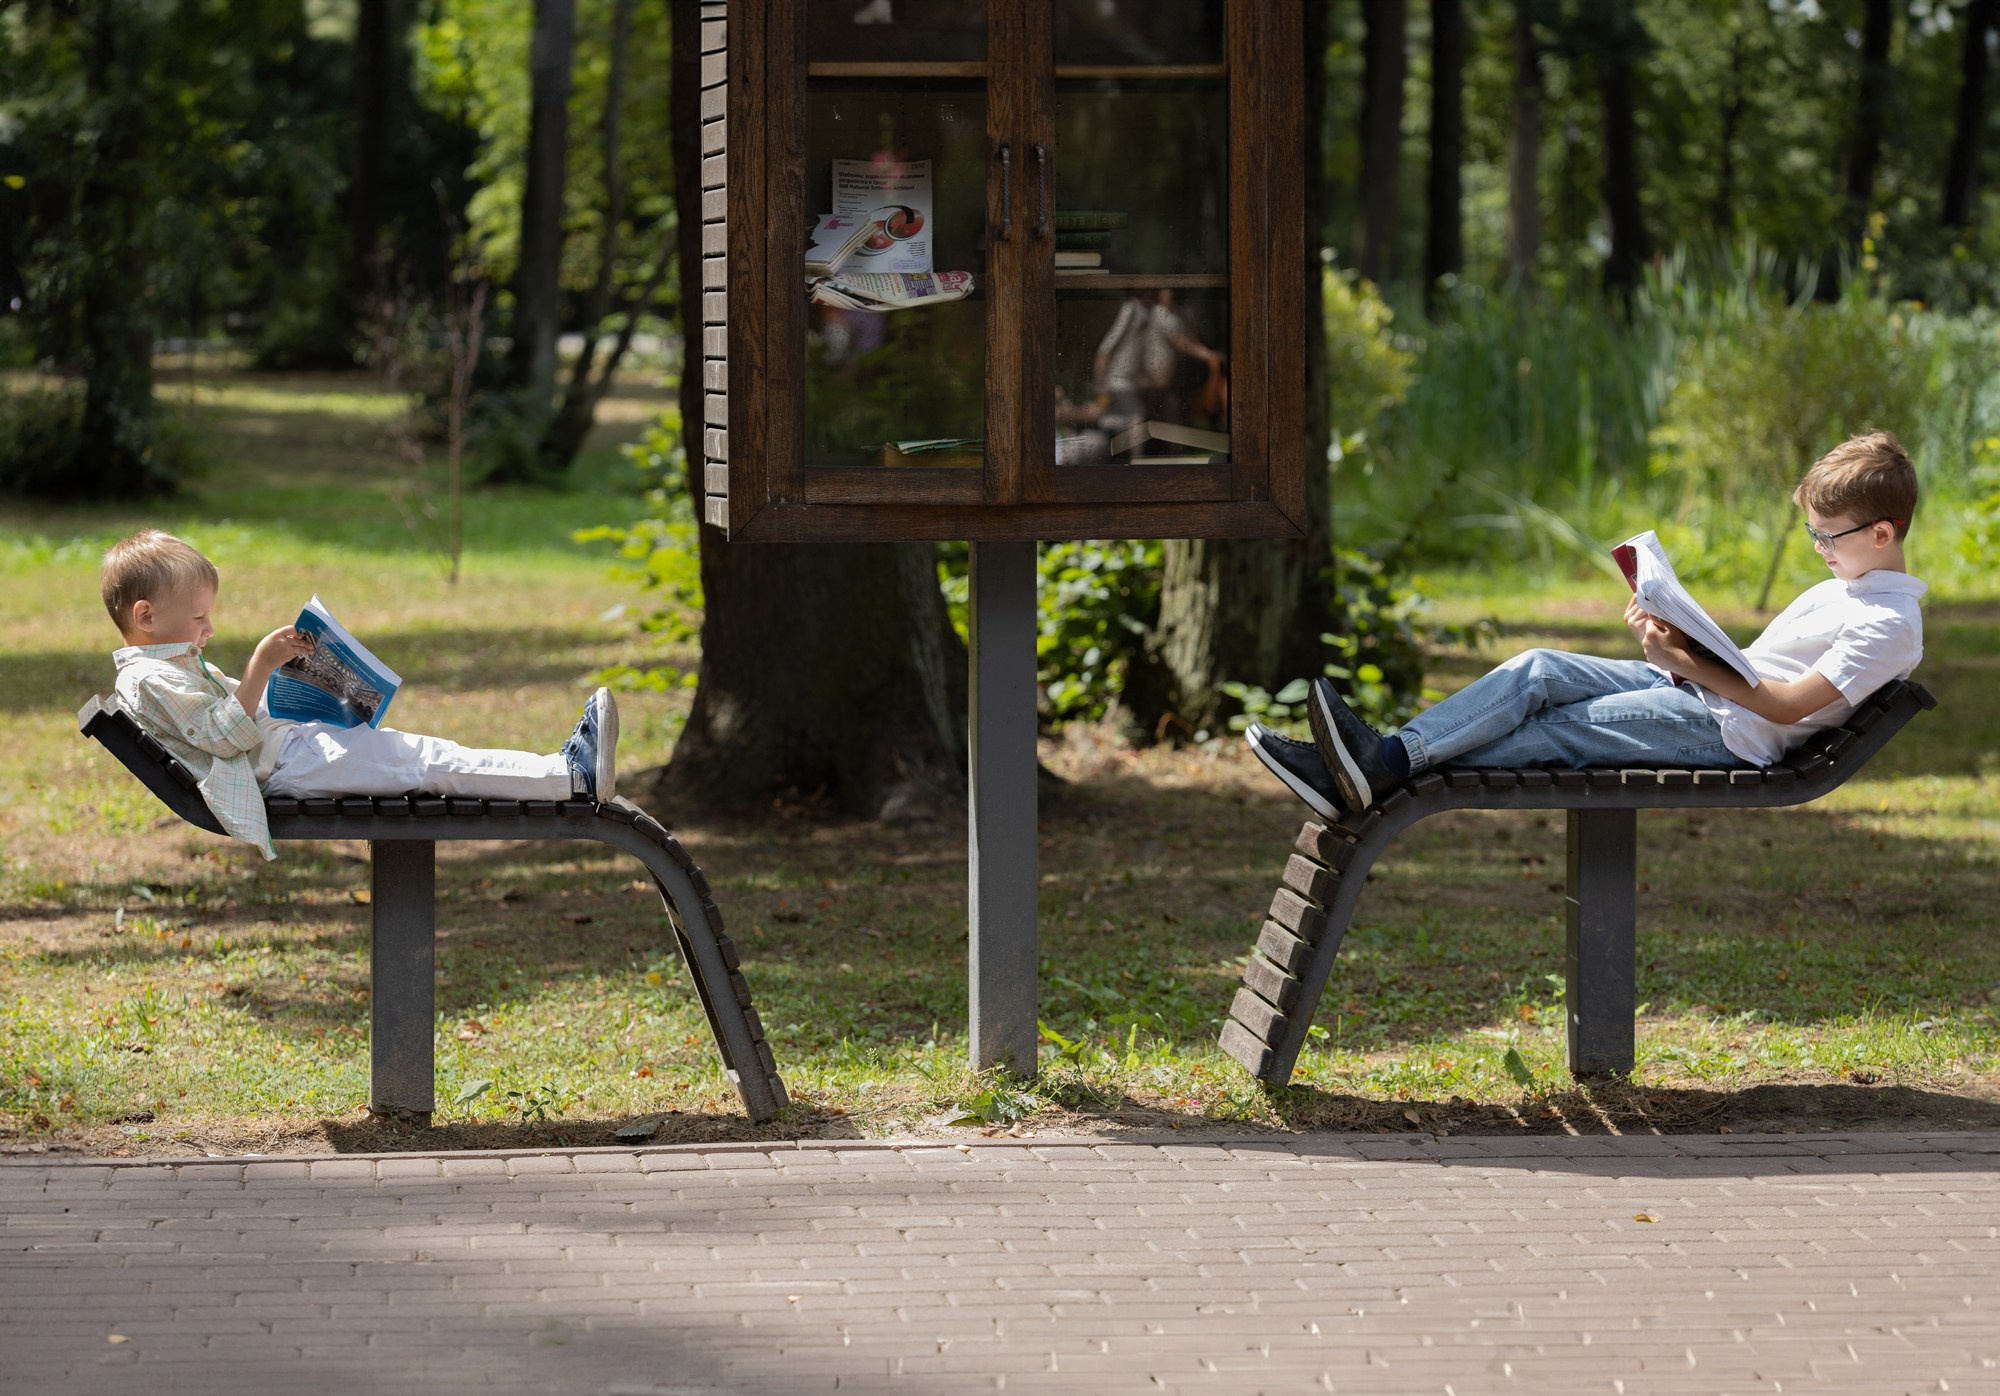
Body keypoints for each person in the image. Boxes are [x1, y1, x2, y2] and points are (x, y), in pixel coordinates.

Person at [1248, 431, 1926, 819]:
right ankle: (1377, 763)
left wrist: (1684, 662)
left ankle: (1377, 770)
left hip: (1727, 733)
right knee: (1540, 667)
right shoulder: (1847, 586)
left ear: (1883, 532)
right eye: (1811, 532)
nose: (1818, 547)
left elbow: (1788, 702)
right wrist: (1681, 639)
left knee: (1546, 731)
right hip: (1703, 698)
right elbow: (1760, 668)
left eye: (1828, 535)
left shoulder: (1889, 623)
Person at [100, 529, 618, 860]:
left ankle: (562, 772)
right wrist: (260, 664)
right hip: (291, 767)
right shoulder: (150, 679)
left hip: (294, 754)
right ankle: (568, 776)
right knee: (429, 762)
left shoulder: (165, 668)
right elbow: (224, 736)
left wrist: (301, 679)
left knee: (428, 758)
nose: (208, 628)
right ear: (145, 616)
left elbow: (234, 718)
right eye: (198, 617)